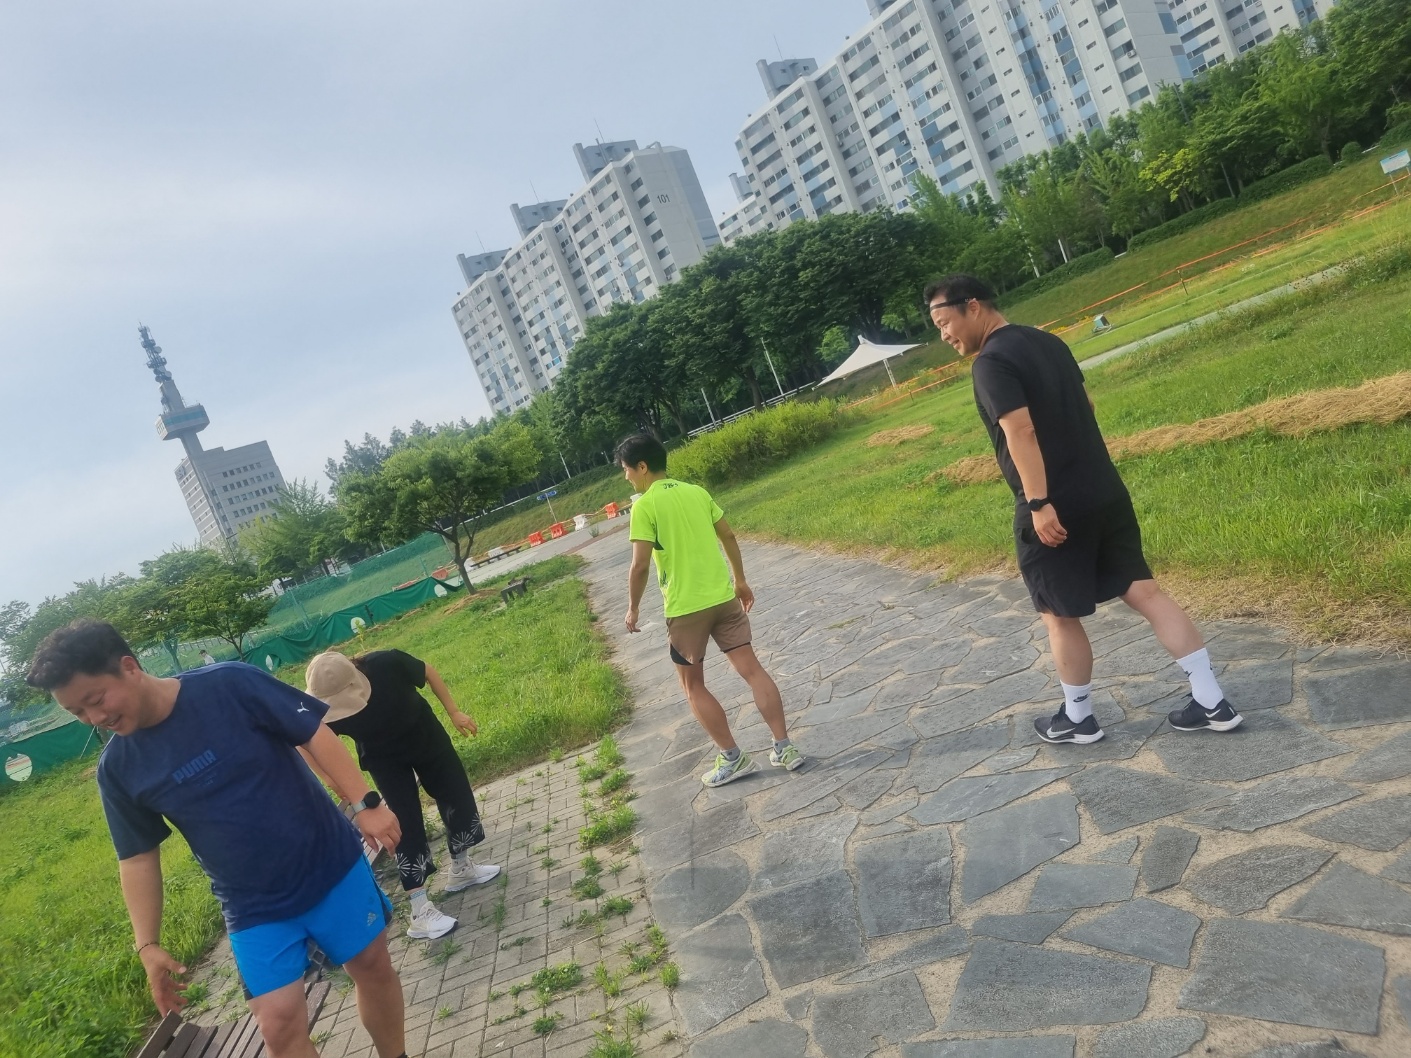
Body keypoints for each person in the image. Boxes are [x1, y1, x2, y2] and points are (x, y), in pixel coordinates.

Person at [27, 620, 411, 1058]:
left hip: (331, 865)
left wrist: (365, 803)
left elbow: (312, 732)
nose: (95, 719)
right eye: (78, 713)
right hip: (252, 906)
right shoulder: (118, 769)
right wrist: (147, 944)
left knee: (372, 967)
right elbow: (136, 857)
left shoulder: (230, 684)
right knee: (278, 1026)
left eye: (96, 700)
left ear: (129, 667)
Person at [924, 275, 1244, 744]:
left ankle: (1078, 718)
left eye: (944, 323)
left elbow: (1021, 431)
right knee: (1145, 592)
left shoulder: (991, 361)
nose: (944, 336)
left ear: (972, 306)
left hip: (1054, 504)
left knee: (1058, 614)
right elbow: (1087, 405)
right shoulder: (1048, 342)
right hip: (1103, 489)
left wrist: (1039, 502)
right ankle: (1213, 701)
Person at [617, 433, 804, 786]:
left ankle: (733, 758)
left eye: (626, 469)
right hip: (723, 597)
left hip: (686, 609)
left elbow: (639, 565)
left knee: (692, 686)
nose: (626, 477)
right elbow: (728, 536)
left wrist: (633, 608)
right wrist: (740, 580)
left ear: (642, 467)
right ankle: (785, 747)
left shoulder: (644, 506)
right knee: (752, 670)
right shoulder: (697, 492)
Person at [305, 649, 499, 941]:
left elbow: (428, 671)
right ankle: (420, 912)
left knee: (455, 793)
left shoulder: (386, 663)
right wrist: (330, 779)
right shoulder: (317, 706)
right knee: (401, 822)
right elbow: (303, 742)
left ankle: (461, 868)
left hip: (425, 736)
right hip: (383, 760)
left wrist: (454, 712)